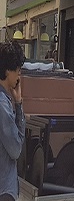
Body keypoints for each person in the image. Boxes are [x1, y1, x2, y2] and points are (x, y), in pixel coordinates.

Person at [0, 41, 26, 201]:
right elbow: (15, 150)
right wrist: (19, 104)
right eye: (17, 70)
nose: (19, 75)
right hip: (4, 190)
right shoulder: (2, 105)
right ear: (7, 71)